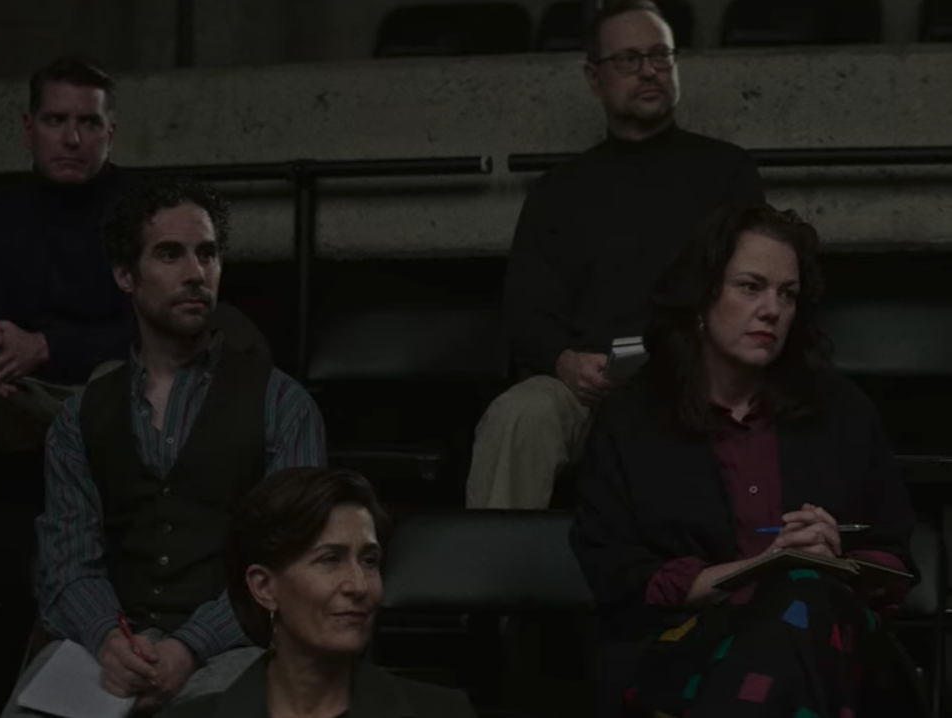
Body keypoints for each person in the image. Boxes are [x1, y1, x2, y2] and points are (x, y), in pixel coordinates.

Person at [570, 204, 926, 717]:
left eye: (787, 294)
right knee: (786, 608)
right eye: (750, 287)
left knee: (803, 594)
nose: (772, 310)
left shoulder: (842, 410)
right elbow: (617, 574)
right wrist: (755, 572)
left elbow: (894, 562)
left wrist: (837, 560)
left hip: (839, 651)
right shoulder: (633, 419)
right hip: (683, 652)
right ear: (701, 297)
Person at [1, 176, 327, 717]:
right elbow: (67, 563)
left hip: (237, 645)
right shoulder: (80, 418)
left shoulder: (282, 404)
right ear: (126, 275)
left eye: (207, 255)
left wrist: (190, 644)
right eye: (170, 255)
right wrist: (108, 638)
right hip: (108, 650)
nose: (196, 273)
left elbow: (291, 562)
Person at [466, 0, 765, 509]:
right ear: (592, 76)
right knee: (520, 413)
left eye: (660, 56)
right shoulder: (558, 191)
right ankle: (490, 582)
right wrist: (563, 363)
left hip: (693, 378)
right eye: (628, 59)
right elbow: (525, 310)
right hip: (589, 386)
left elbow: (755, 287)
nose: (649, 70)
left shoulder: (726, 173)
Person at [0, 56, 135, 505]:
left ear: (110, 133)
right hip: (21, 393)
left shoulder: (146, 210)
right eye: (56, 120)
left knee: (118, 380)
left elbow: (157, 331)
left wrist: (46, 345)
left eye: (89, 123)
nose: (72, 139)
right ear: (29, 127)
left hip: (106, 393)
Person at [161, 467, 478, 718]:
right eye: (330, 559)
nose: (358, 585)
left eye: (369, 561)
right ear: (264, 587)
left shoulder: (443, 712)